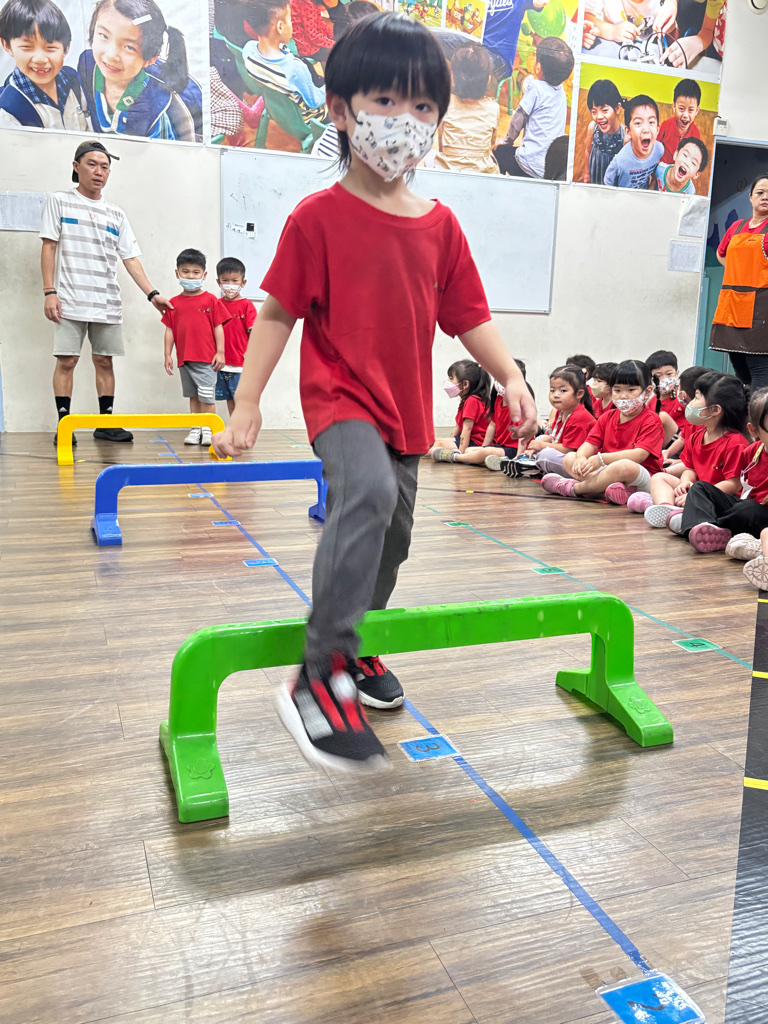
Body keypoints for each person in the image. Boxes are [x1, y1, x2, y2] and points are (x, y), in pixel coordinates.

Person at [211, 12, 537, 772]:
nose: (405, 122)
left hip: (407, 412)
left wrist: (512, 374)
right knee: (365, 494)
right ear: (341, 109)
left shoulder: (440, 226)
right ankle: (319, 671)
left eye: (423, 107)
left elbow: (469, 316)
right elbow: (277, 312)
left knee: (393, 537)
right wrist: (247, 401)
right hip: (341, 399)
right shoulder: (318, 218)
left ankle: (359, 643)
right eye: (386, 102)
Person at [41, 140, 172, 446]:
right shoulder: (59, 201)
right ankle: (64, 425)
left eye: (105, 166)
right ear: (76, 167)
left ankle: (106, 424)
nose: (99, 171)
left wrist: (152, 294)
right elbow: (48, 247)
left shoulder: (116, 214)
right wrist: (49, 292)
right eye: (92, 164)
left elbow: (130, 259)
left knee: (104, 361)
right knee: (67, 361)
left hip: (106, 302)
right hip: (68, 300)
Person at [627, 371, 749, 527]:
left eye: (697, 397)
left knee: (698, 493)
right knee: (659, 478)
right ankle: (667, 508)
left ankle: (682, 513)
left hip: (722, 498)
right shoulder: (697, 436)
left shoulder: (735, 443)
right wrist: (685, 483)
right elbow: (690, 469)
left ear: (715, 410)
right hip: (697, 490)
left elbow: (733, 484)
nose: (691, 402)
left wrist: (696, 495)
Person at [542, 359, 665, 504]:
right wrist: (581, 457)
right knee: (570, 458)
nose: (623, 396)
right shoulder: (608, 417)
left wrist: (602, 459)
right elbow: (590, 443)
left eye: (631, 390)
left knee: (624, 465)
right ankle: (610, 489)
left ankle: (575, 488)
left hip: (640, 477)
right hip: (608, 472)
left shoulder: (651, 420)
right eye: (617, 390)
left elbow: (639, 455)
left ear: (647, 392)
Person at [78, 0, 203, 141]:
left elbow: (164, 152)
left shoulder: (152, 104)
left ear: (150, 59)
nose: (111, 55)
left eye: (129, 47)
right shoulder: (87, 65)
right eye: (104, 36)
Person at [674, 388, 768, 553]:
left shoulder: (736, 443)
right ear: (754, 430)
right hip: (747, 509)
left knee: (746, 510)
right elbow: (745, 487)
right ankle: (701, 528)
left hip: (757, 515)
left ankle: (705, 526)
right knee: (700, 487)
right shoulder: (752, 452)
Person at [162, 249, 229, 447]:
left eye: (195, 272)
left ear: (204, 275)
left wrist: (220, 352)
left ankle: (208, 430)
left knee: (207, 397)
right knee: (193, 396)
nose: (190, 276)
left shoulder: (211, 300)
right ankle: (196, 429)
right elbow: (169, 330)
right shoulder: (173, 304)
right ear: (177, 273)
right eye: (185, 271)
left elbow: (218, 327)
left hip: (206, 359)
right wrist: (167, 354)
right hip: (185, 360)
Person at [709, 175, 768, 389]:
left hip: (761, 307)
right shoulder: (736, 227)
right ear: (750, 197)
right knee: (739, 366)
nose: (765, 197)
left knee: (759, 367)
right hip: (732, 304)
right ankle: (742, 408)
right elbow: (721, 254)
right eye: (760, 192)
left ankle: (758, 410)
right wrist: (740, 270)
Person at [488, 364, 595, 477]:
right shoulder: (561, 411)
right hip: (562, 452)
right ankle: (531, 463)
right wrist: (537, 445)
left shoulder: (579, 417)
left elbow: (568, 449)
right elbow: (554, 437)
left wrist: (542, 446)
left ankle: (534, 466)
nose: (556, 395)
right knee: (541, 438)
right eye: (552, 390)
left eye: (563, 390)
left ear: (579, 394)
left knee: (546, 455)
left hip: (577, 461)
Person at [0, 0, 90, 130]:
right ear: (7, 46)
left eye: (50, 48)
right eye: (27, 47)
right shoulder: (9, 109)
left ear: (66, 48)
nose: (40, 59)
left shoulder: (73, 80)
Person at [494, 36, 574, 179]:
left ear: (538, 67)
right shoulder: (561, 92)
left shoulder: (536, 88)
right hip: (549, 170)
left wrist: (507, 141)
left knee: (499, 151)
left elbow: (518, 120)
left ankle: (503, 184)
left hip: (528, 166)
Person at [242, 0, 327, 122]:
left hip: (279, 110)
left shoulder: (249, 50)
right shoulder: (295, 68)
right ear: (280, 27)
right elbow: (314, 102)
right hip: (307, 118)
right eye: (290, 20)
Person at [435, 44, 499, 175]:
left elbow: (441, 145)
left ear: (453, 77)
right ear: (488, 79)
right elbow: (491, 144)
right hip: (482, 172)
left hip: (448, 170)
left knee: (430, 157)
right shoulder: (494, 107)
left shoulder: (445, 103)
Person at [215, 257, 257, 416]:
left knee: (242, 400)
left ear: (243, 282)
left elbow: (254, 333)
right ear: (218, 282)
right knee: (230, 399)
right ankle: (234, 426)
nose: (230, 285)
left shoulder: (247, 306)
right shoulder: (216, 304)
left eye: (234, 281)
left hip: (241, 364)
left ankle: (244, 427)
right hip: (222, 364)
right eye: (225, 281)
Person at [430, 360, 493, 461]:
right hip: (469, 439)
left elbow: (467, 429)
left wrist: (460, 454)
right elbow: (458, 427)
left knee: (437, 444)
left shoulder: (472, 401)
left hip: (475, 442)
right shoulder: (466, 400)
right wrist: (451, 440)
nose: (448, 381)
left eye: (451, 378)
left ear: (465, 384)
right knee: (434, 441)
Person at [604, 94, 663, 190]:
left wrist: (651, 188)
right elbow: (607, 183)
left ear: (657, 129)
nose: (646, 130)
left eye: (651, 122)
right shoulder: (619, 162)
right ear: (628, 132)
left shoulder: (659, 149)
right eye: (638, 123)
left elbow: (655, 170)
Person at [581, 78, 627, 186]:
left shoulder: (625, 136)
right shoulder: (592, 127)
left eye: (605, 110)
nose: (599, 117)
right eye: (594, 112)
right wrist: (586, 172)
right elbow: (588, 151)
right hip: (595, 174)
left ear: (617, 108)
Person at [657, 79, 701, 164]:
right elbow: (654, 147)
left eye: (691, 110)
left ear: (696, 111)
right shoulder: (666, 126)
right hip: (663, 166)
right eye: (681, 109)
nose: (685, 115)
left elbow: (694, 157)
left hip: (681, 169)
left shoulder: (695, 134)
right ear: (674, 107)